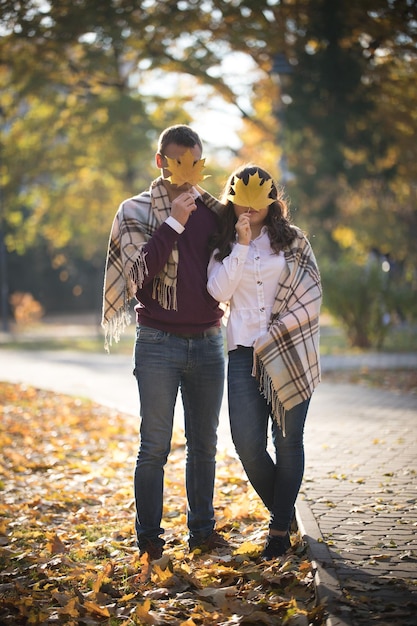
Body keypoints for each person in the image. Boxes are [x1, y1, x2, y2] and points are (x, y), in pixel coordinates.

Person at [102, 124, 228, 561]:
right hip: (158, 341)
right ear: (161, 162)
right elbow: (137, 274)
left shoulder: (214, 211)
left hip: (210, 341)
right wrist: (174, 220)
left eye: (195, 164)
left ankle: (202, 532)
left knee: (205, 444)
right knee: (154, 445)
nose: (187, 175)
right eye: (178, 164)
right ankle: (150, 540)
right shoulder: (135, 211)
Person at [207, 164, 322, 560]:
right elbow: (218, 290)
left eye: (258, 199)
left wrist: (279, 331)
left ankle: (277, 530)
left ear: (272, 201)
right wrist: (240, 244)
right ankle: (285, 509)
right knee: (247, 445)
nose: (250, 206)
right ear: (232, 197)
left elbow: (311, 294)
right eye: (243, 198)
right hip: (242, 355)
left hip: (288, 350)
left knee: (289, 443)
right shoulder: (221, 243)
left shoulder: (292, 241)